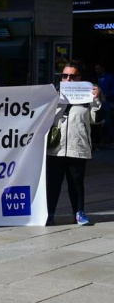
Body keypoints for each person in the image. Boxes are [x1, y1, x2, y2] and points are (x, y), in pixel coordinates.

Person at [46, 63, 101, 227]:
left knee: (76, 183)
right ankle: (49, 213)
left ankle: (79, 212)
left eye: (73, 76)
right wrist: (53, 100)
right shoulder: (53, 94)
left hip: (77, 146)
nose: (68, 79)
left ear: (80, 78)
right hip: (55, 148)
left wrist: (96, 100)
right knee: (53, 184)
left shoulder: (88, 95)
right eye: (64, 76)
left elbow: (96, 120)